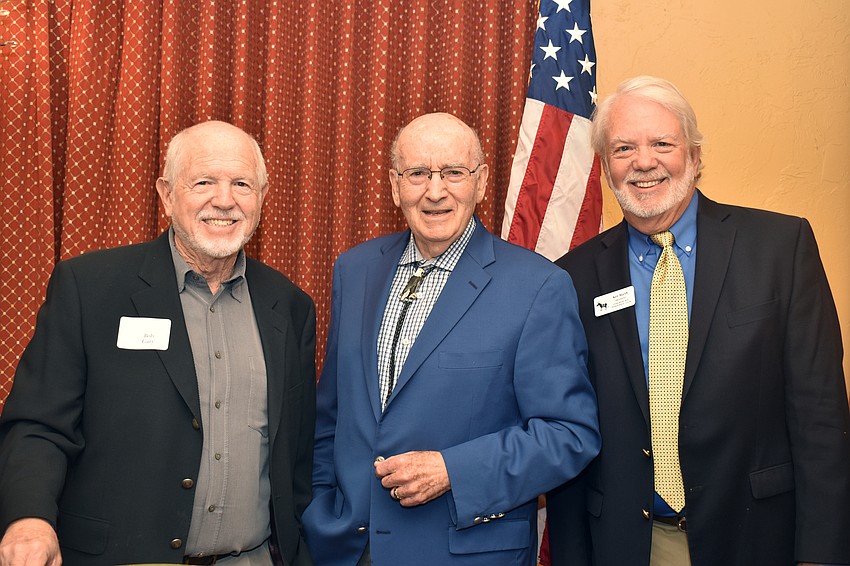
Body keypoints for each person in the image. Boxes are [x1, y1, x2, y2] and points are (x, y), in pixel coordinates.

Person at [546, 75, 850, 566]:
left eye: (662, 144)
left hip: (757, 536)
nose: (643, 162)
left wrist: (822, 554)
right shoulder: (572, 277)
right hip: (629, 544)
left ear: (695, 155)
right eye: (623, 148)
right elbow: (569, 431)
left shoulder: (779, 248)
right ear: (605, 166)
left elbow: (820, 417)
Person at [0, 121, 317, 566]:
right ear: (166, 194)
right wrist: (29, 518)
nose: (224, 200)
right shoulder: (90, 288)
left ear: (262, 197)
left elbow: (297, 456)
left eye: (242, 184)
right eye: (203, 182)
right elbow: (39, 425)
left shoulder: (290, 307)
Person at [301, 112, 600, 565]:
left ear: (481, 183)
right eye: (418, 173)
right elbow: (333, 415)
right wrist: (321, 509)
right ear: (395, 184)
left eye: (454, 173)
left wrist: (453, 471)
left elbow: (569, 434)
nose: (435, 191)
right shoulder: (355, 270)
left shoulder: (538, 286)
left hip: (464, 551)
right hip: (348, 549)